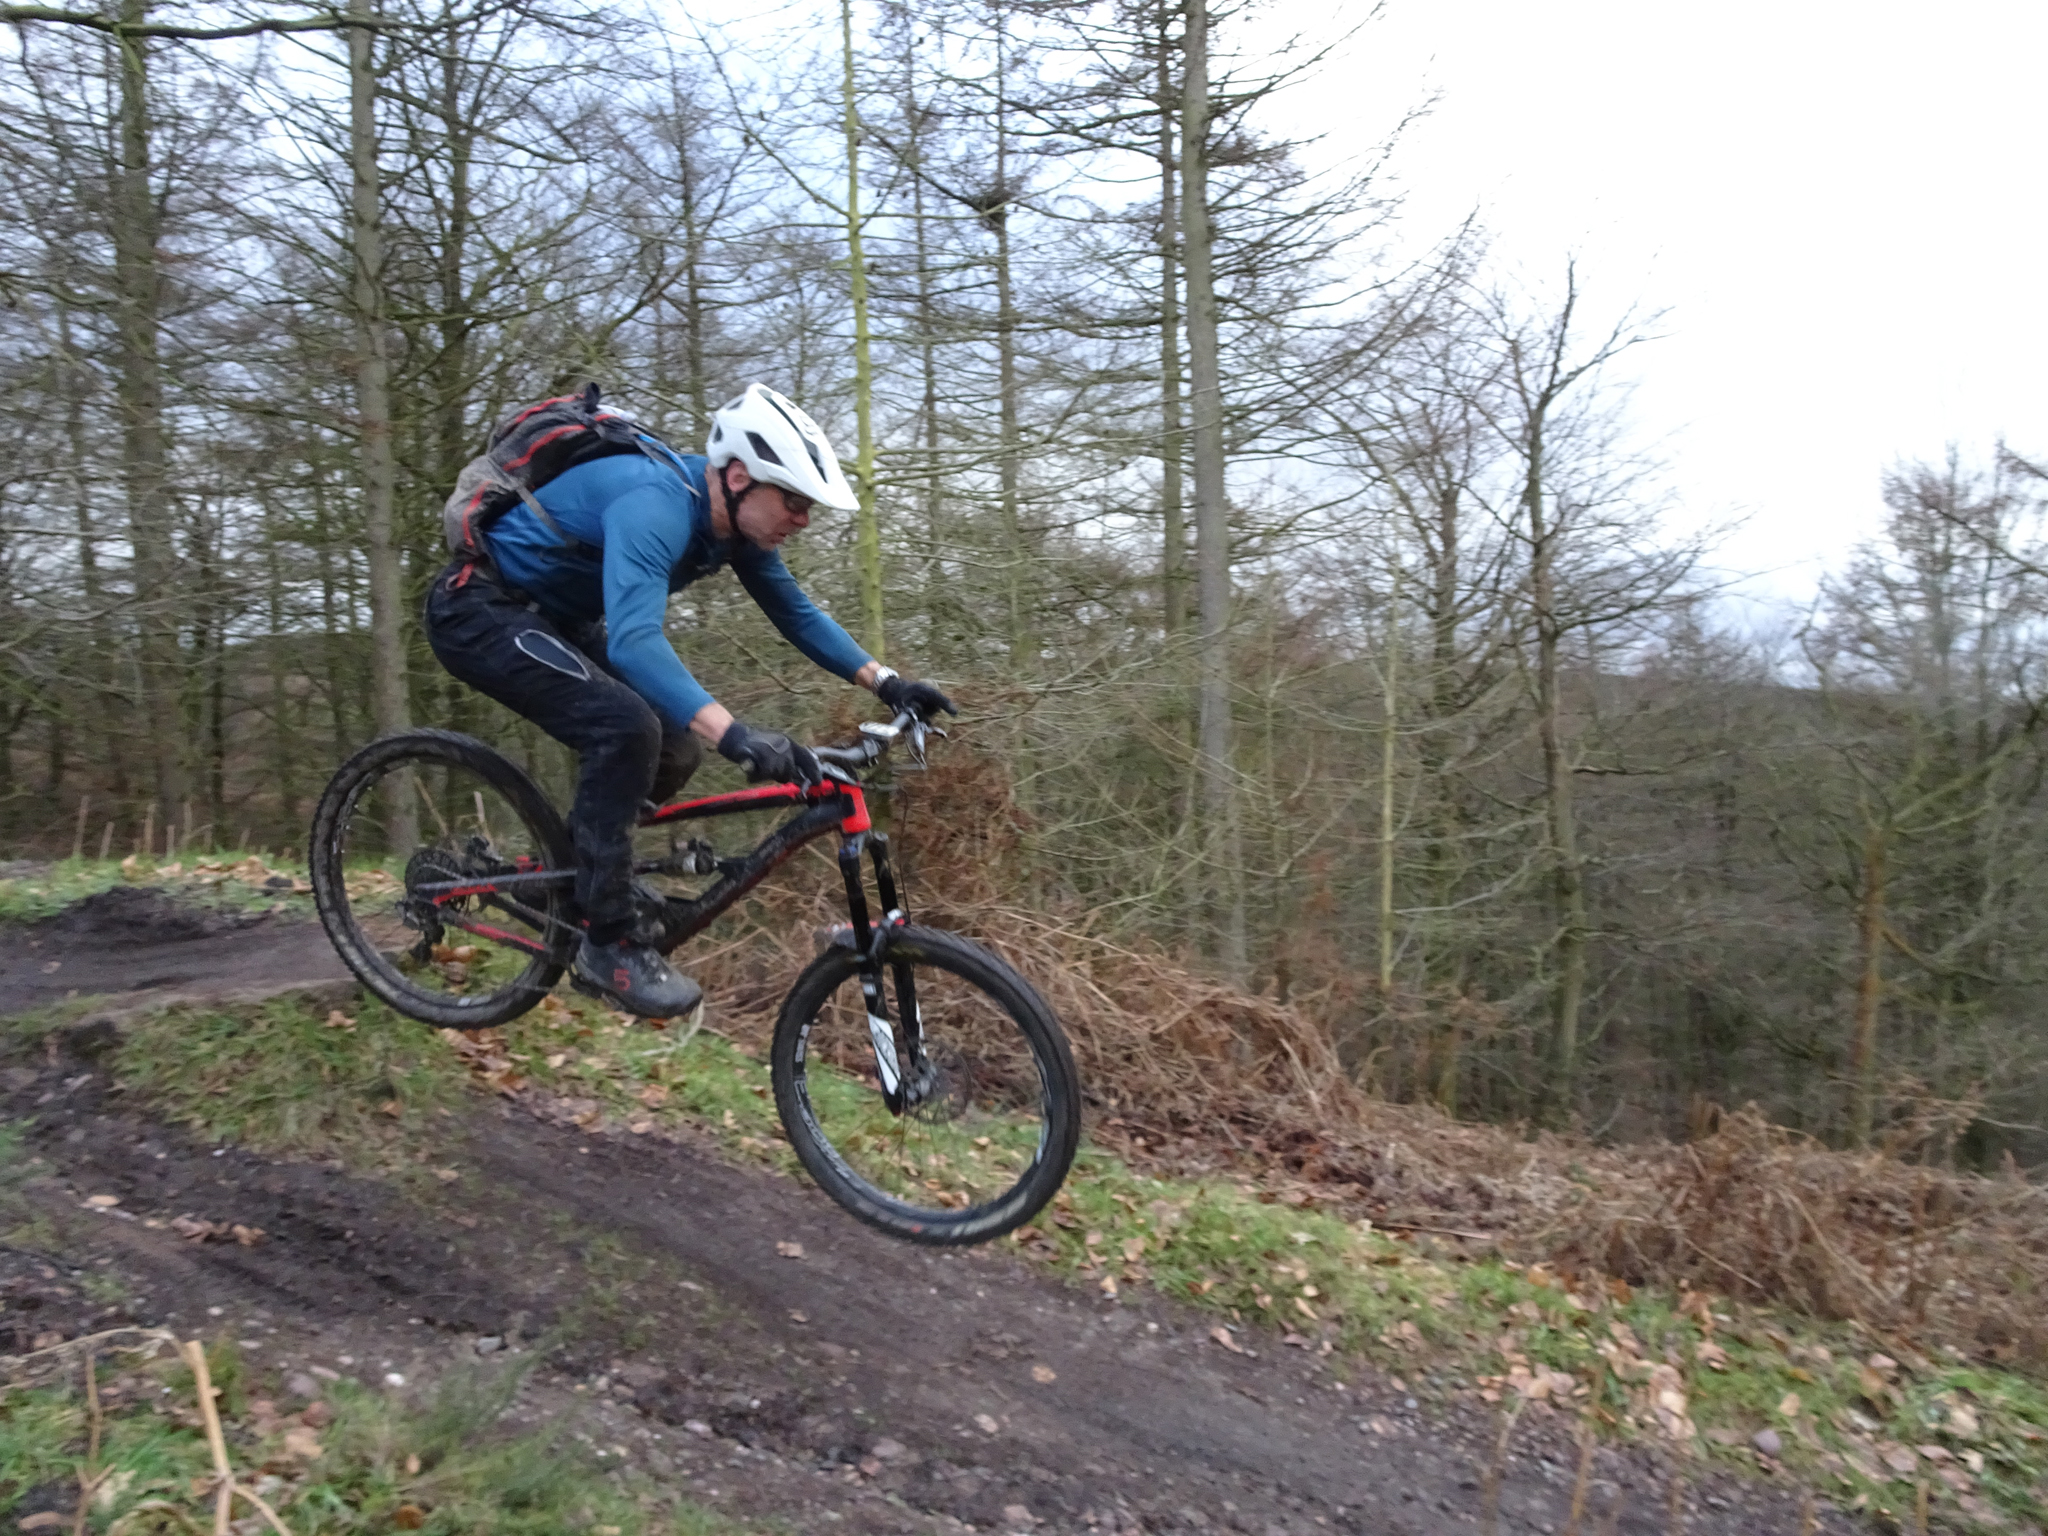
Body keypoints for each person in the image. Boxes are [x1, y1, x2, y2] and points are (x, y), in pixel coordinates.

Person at [423, 383, 955, 1018]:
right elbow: (636, 644)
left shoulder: (734, 527)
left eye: (808, 506)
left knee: (675, 747)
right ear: (738, 477)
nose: (803, 519)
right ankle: (608, 944)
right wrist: (735, 734)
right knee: (626, 728)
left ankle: (566, 881)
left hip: (556, 620)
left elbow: (797, 613)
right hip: (479, 609)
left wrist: (888, 683)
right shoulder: (656, 504)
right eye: (793, 501)